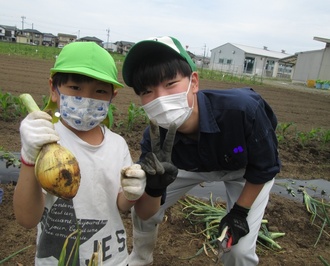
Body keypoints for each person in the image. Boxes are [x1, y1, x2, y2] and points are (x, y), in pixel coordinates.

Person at [122, 36, 281, 266]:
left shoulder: (242, 110)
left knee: (238, 251)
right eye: (147, 91)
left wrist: (239, 212)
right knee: (142, 208)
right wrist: (154, 190)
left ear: (193, 82)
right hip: (185, 168)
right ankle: (140, 257)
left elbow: (265, 166)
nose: (161, 98)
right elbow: (146, 211)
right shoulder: (155, 140)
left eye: (170, 84)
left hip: (244, 170)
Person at [13, 42, 164, 266]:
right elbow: (26, 219)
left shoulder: (118, 144)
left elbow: (120, 207)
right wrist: (28, 157)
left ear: (112, 96)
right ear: (53, 89)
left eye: (100, 91)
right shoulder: (44, 141)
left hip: (113, 258)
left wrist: (132, 194)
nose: (87, 98)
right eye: (75, 88)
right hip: (59, 259)